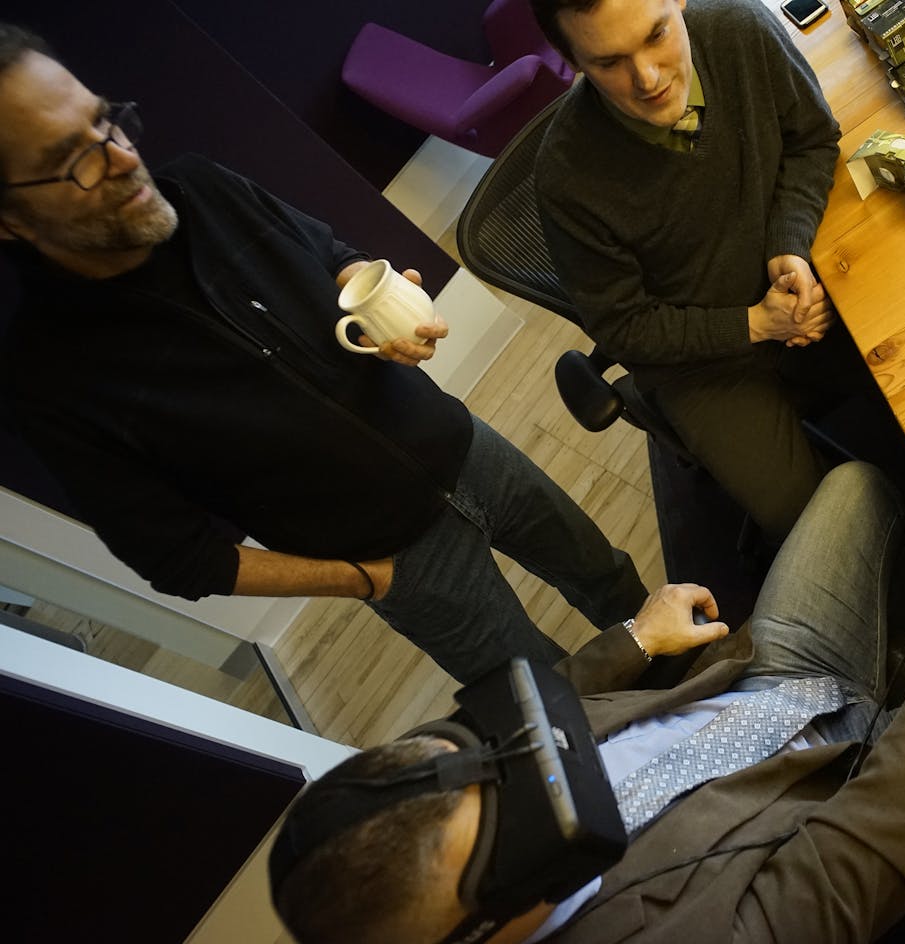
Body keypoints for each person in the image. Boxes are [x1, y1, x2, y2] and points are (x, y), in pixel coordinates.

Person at [0, 25, 648, 685]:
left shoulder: (202, 188)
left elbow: (330, 255)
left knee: (610, 579)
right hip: (389, 557)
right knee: (552, 696)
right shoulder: (50, 380)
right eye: (73, 159)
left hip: (462, 443)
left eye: (107, 121)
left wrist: (377, 300)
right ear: (10, 219)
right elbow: (181, 559)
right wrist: (362, 581)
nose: (121, 157)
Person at [270, 464, 905, 943]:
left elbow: (536, 704)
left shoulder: (420, 790)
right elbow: (881, 831)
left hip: (767, 689)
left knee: (855, 488)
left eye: (497, 753)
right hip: (875, 800)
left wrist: (633, 640)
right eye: (530, 812)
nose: (540, 759)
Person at [532, 0, 870, 541]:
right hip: (702, 366)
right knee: (820, 535)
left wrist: (789, 245)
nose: (648, 78)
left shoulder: (739, 30)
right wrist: (758, 324)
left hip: (794, 289)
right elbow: (624, 328)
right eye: (609, 62)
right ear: (570, 59)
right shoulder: (565, 177)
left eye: (657, 34)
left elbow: (812, 138)